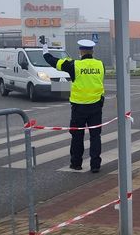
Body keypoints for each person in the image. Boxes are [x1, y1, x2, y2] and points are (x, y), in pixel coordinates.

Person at [43, 39, 105, 173]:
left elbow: (55, 62)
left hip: (79, 107)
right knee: (95, 136)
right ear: (92, 51)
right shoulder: (100, 64)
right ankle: (95, 165)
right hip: (96, 106)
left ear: (81, 51)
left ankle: (76, 163)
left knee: (77, 136)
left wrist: (45, 52)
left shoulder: (74, 65)